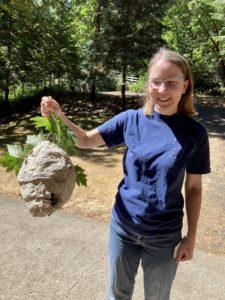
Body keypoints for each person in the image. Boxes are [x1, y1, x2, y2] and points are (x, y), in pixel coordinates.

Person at [40, 48, 210, 300]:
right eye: (156, 82)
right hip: (123, 228)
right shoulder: (131, 120)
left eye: (171, 83)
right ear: (148, 84)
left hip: (164, 236)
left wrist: (191, 237)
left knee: (157, 297)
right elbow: (86, 140)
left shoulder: (195, 133)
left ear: (185, 86)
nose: (162, 90)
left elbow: (194, 187)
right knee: (118, 294)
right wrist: (58, 117)